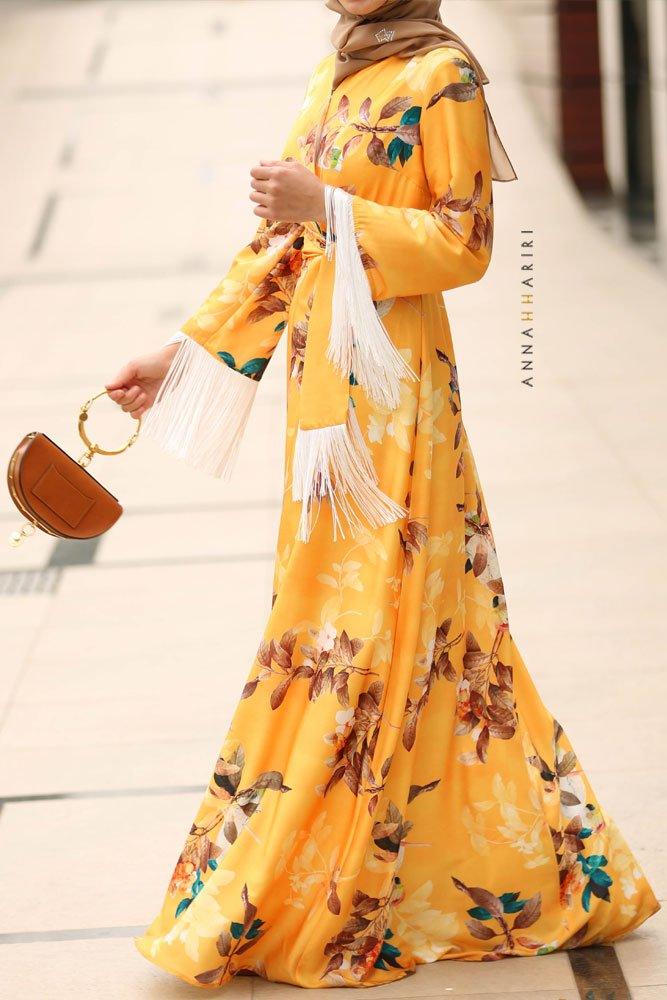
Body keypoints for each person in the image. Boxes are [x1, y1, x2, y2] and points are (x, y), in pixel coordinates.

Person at [106, 0, 660, 990]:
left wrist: (328, 208)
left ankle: (332, 887)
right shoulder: (343, 70)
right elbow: (279, 252)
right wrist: (180, 360)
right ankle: (406, 871)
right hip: (322, 406)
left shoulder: (441, 77)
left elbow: (466, 244)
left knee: (366, 633)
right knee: (363, 631)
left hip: (398, 403)